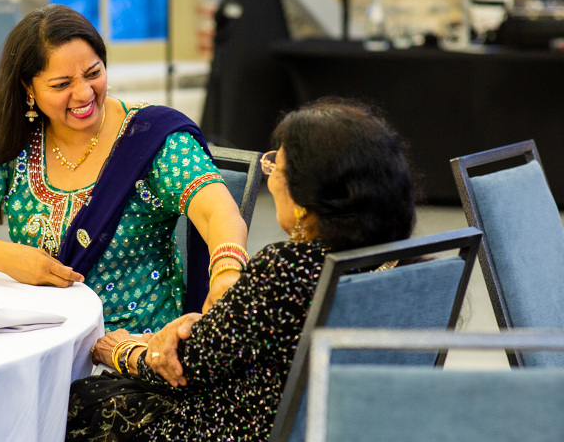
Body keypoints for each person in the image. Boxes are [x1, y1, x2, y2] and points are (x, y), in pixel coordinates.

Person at [69, 98, 417, 441]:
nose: (272, 177)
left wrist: (123, 350)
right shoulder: (402, 266)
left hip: (246, 426)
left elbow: (187, 368)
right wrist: (205, 325)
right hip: (348, 421)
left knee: (83, 400)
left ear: (303, 198)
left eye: (275, 167)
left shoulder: (287, 271)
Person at [0, 4, 248, 333]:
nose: (84, 94)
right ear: (29, 89)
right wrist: (2, 256)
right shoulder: (17, 144)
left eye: (93, 73)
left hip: (133, 353)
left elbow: (216, 212)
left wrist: (227, 273)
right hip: (39, 336)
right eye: (61, 85)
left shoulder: (152, 138)